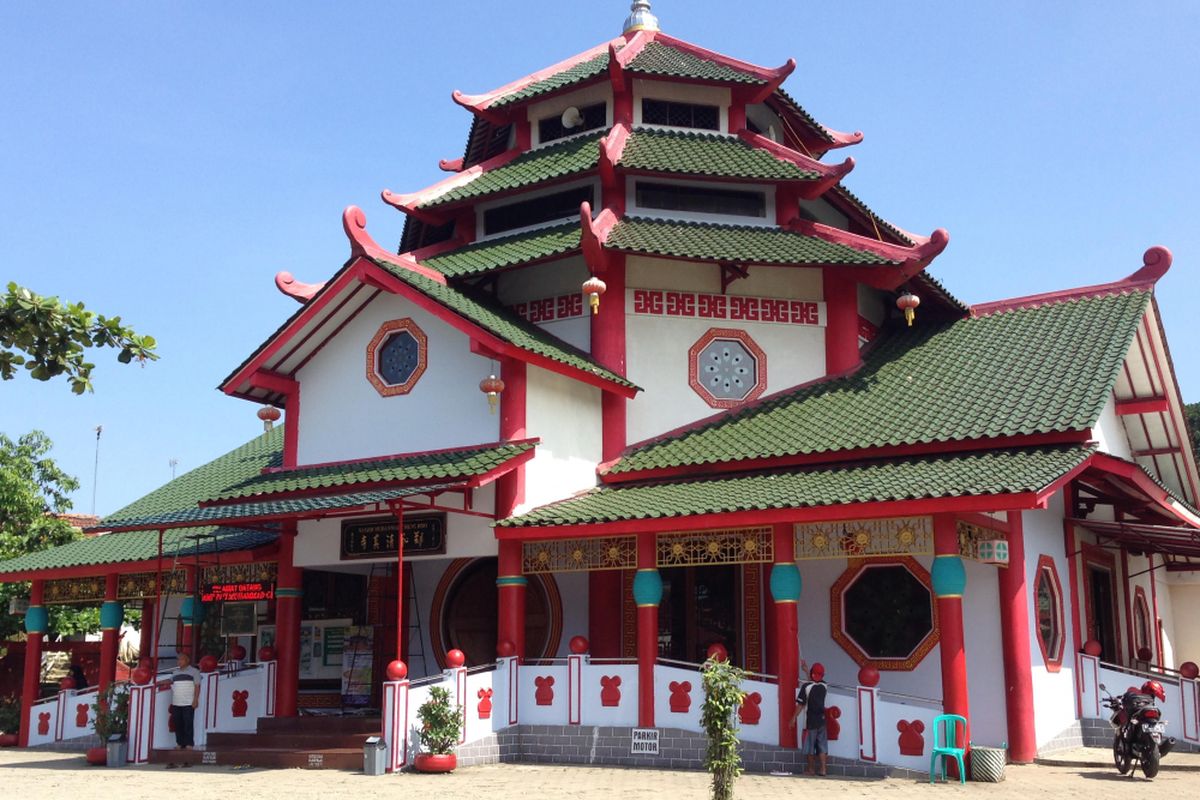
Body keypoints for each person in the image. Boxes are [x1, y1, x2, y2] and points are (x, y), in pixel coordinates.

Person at [790, 661, 829, 776]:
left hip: (811, 721)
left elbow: (800, 705)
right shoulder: (824, 686)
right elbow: (813, 683)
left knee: (810, 746)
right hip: (822, 721)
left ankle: (811, 770)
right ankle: (823, 770)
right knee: (822, 746)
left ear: (812, 674)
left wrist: (793, 718)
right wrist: (807, 671)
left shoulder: (806, 687)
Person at [166, 652, 201, 768]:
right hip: (177, 702)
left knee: (188, 723)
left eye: (181, 660)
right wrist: (157, 683)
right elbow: (170, 681)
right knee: (178, 723)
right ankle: (180, 743)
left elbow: (197, 686)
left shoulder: (194, 672)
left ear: (187, 661)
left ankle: (189, 744)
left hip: (188, 702)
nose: (179, 662)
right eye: (178, 660)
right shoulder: (175, 673)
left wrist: (195, 700)